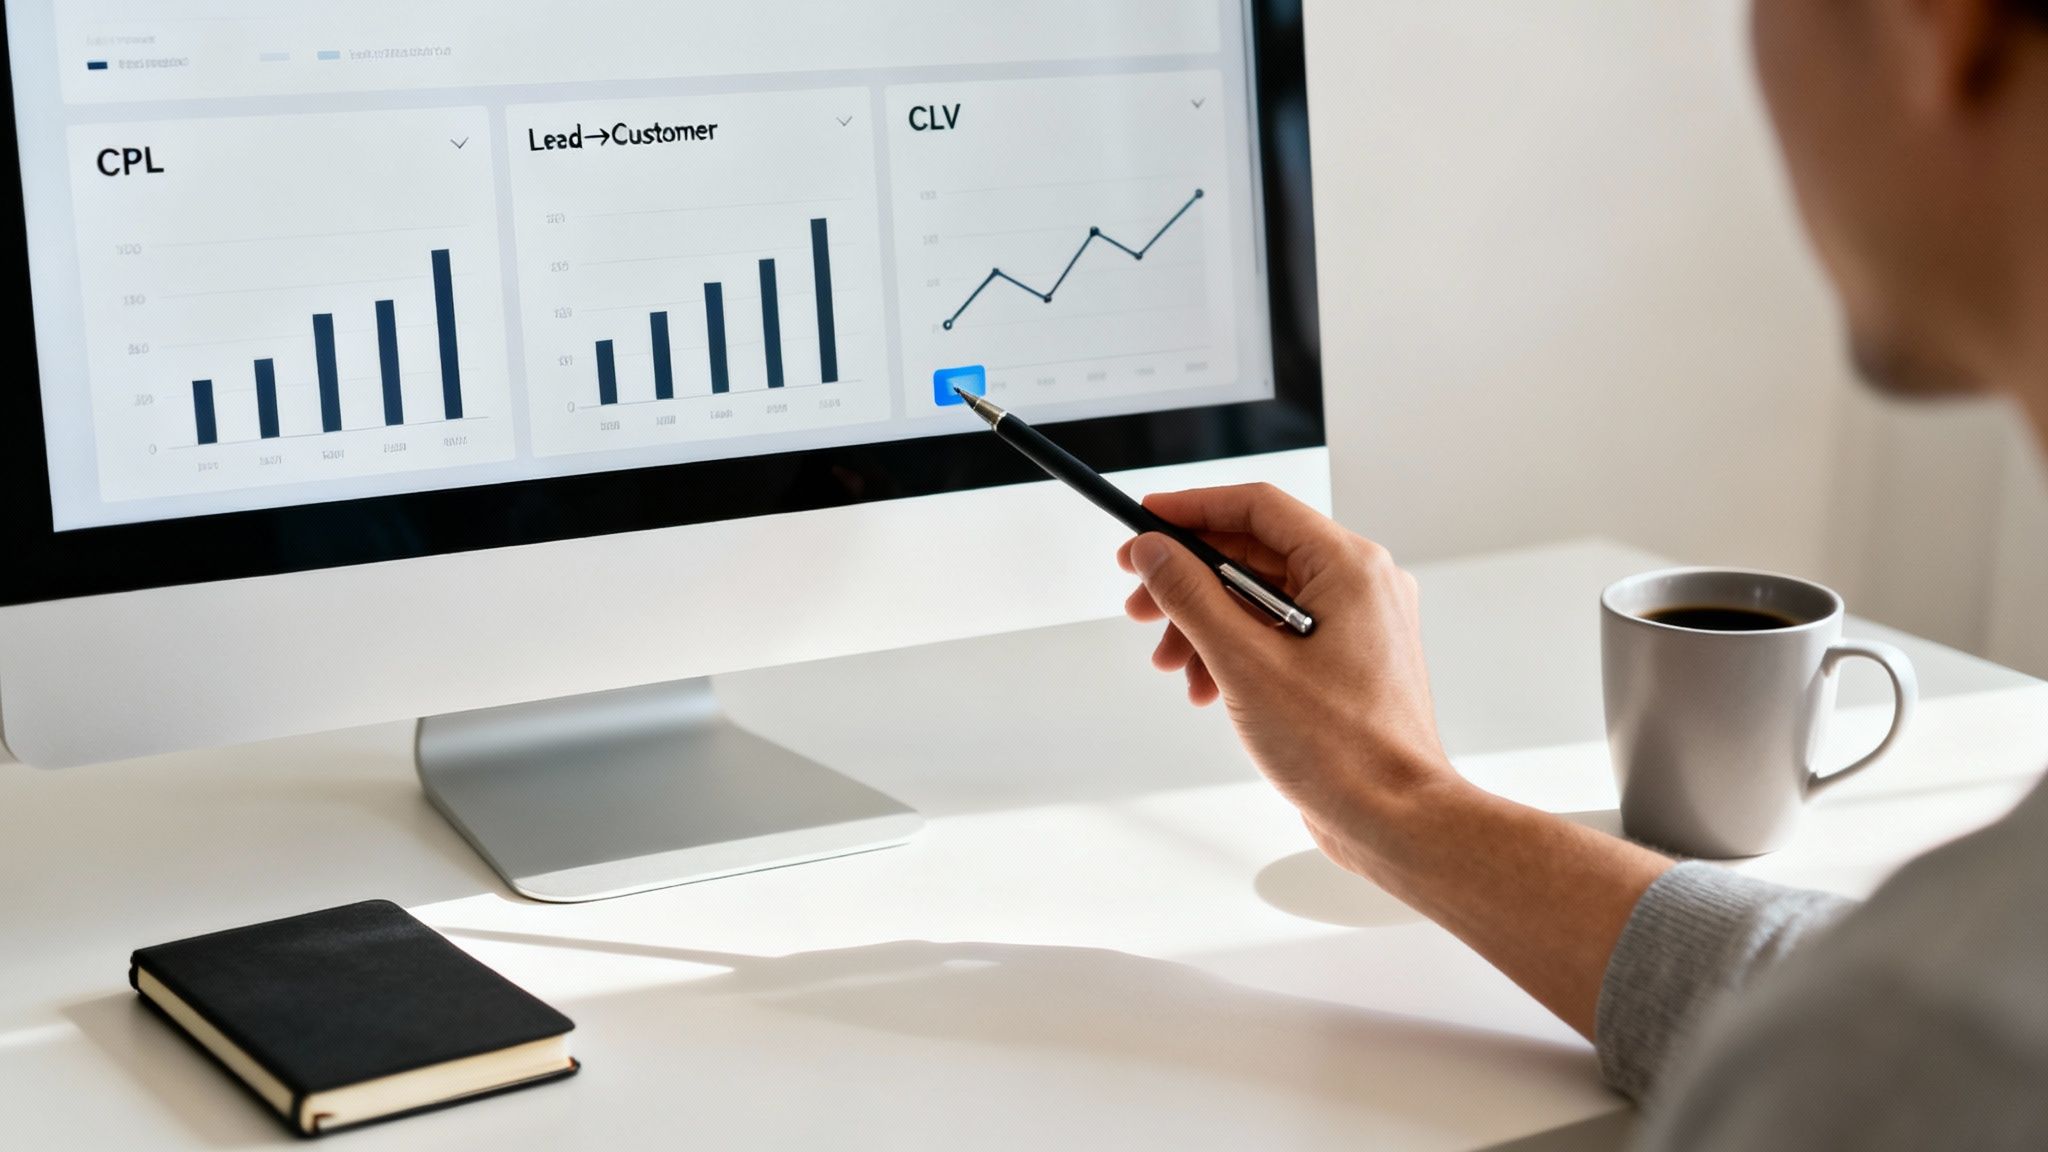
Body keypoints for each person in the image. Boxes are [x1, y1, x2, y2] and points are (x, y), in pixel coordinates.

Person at [1116, 1, 2048, 1147]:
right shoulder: (1926, 1017)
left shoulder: (1913, 1053)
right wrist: (1393, 802)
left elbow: (1884, 1037)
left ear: (1933, 30)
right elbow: (1811, 978)